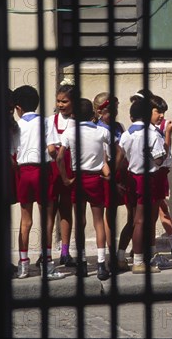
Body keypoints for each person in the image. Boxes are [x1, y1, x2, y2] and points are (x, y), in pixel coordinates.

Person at [57, 98, 122, 281]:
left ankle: (83, 263)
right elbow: (120, 152)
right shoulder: (102, 131)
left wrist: (65, 178)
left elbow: (60, 157)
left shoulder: (70, 132)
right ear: (93, 114)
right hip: (96, 178)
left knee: (80, 222)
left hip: (78, 178)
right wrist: (111, 173)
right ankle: (101, 264)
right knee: (99, 221)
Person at [12, 85, 65, 280]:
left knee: (25, 221)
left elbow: (12, 154)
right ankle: (48, 265)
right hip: (43, 171)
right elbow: (52, 149)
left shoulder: (16, 126)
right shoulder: (46, 122)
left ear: (18, 107)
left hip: (24, 172)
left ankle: (23, 265)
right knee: (47, 220)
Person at [119, 95, 172, 273]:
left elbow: (120, 157)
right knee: (141, 221)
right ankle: (138, 261)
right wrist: (166, 140)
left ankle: (122, 257)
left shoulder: (127, 134)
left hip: (130, 178)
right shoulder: (151, 134)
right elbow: (160, 159)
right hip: (146, 179)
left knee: (134, 220)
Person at [131, 90, 172, 260]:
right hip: (148, 173)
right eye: (157, 112)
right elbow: (162, 154)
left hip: (160, 172)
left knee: (157, 212)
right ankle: (143, 249)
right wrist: (167, 134)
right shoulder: (144, 130)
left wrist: (168, 132)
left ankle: (159, 247)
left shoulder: (160, 126)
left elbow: (164, 155)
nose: (161, 115)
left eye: (162, 112)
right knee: (144, 215)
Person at [92, 92, 134, 272]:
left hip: (124, 173)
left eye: (116, 108)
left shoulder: (119, 126)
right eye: (112, 109)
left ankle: (121, 253)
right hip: (106, 173)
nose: (116, 112)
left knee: (133, 213)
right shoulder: (96, 129)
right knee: (109, 215)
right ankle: (111, 256)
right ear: (101, 112)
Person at [46, 79, 77, 269]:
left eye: (64, 101)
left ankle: (65, 251)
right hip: (52, 170)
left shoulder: (78, 123)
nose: (60, 105)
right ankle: (46, 253)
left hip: (70, 168)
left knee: (66, 210)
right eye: (58, 101)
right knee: (49, 212)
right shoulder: (50, 121)